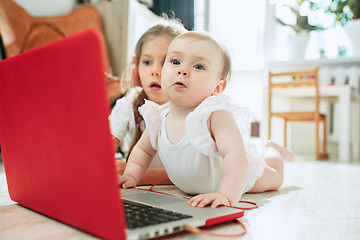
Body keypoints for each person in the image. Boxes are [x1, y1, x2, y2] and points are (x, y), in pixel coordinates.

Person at [119, 31, 294, 208]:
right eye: (175, 61)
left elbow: (235, 156)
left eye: (198, 67)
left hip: (241, 179)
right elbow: (143, 150)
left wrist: (225, 194)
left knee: (275, 177)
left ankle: (274, 150)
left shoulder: (214, 115)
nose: (182, 70)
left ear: (217, 88)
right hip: (193, 189)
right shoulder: (158, 117)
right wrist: (131, 175)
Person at [109, 16, 187, 185]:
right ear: (136, 70)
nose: (155, 71)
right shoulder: (127, 106)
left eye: (169, 61)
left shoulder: (193, 113)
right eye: (147, 62)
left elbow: (191, 175)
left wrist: (137, 175)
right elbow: (101, 153)